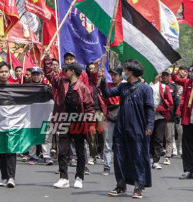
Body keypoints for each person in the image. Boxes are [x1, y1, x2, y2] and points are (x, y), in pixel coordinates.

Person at [100, 59, 154, 199]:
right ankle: (121, 185)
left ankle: (138, 186)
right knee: (119, 157)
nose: (123, 72)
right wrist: (101, 80)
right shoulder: (122, 87)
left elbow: (150, 109)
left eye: (125, 70)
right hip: (121, 127)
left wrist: (149, 125)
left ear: (131, 72)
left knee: (137, 156)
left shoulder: (145, 88)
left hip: (138, 128)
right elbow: (107, 93)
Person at [44, 56, 94, 190]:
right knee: (62, 151)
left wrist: (90, 125)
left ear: (73, 72)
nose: (64, 71)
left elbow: (90, 107)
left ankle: (79, 177)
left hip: (79, 123)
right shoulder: (61, 83)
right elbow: (49, 74)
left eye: (67, 70)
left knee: (80, 151)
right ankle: (63, 178)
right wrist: (47, 59)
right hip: (63, 121)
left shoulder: (83, 88)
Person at [0, 62, 17, 188]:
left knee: (11, 150)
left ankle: (11, 177)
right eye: (1, 72)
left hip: (12, 123)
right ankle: (4, 177)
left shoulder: (16, 88)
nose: (4, 74)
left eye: (6, 71)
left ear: (9, 73)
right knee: (1, 151)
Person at [102, 67, 124, 175]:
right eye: (112, 75)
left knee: (121, 143)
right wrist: (101, 79)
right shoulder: (108, 86)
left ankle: (121, 165)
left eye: (115, 75)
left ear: (120, 76)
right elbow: (105, 93)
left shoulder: (124, 86)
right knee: (107, 142)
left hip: (122, 119)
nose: (113, 77)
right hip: (109, 117)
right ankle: (107, 165)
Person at [149, 73, 173, 170]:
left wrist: (158, 109)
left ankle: (156, 160)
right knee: (148, 138)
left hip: (160, 116)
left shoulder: (164, 87)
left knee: (158, 139)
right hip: (148, 117)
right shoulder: (146, 86)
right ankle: (149, 157)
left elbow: (170, 103)